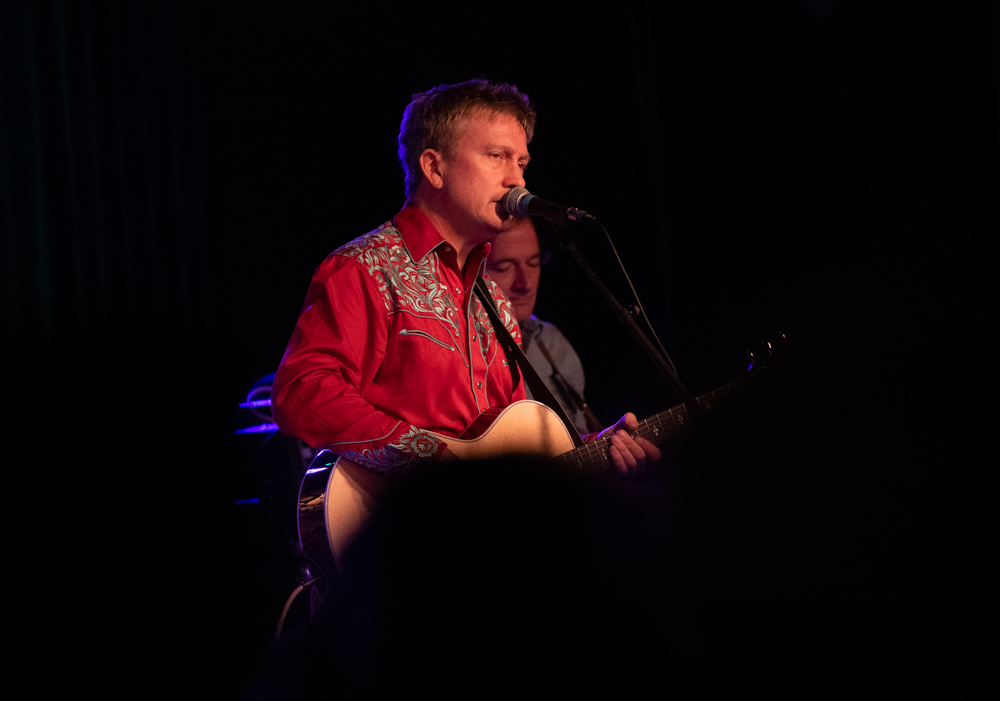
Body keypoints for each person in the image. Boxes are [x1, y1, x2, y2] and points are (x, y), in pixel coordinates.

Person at [272, 79, 658, 477]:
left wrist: (591, 450)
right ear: (434, 168)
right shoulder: (365, 268)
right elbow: (301, 391)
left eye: (521, 163)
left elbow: (508, 447)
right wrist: (429, 459)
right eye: (497, 156)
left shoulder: (496, 304)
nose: (518, 180)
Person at [486, 216, 602, 434]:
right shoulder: (459, 351)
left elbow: (578, 439)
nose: (526, 283)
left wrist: (606, 444)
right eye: (504, 267)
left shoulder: (551, 342)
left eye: (533, 263)